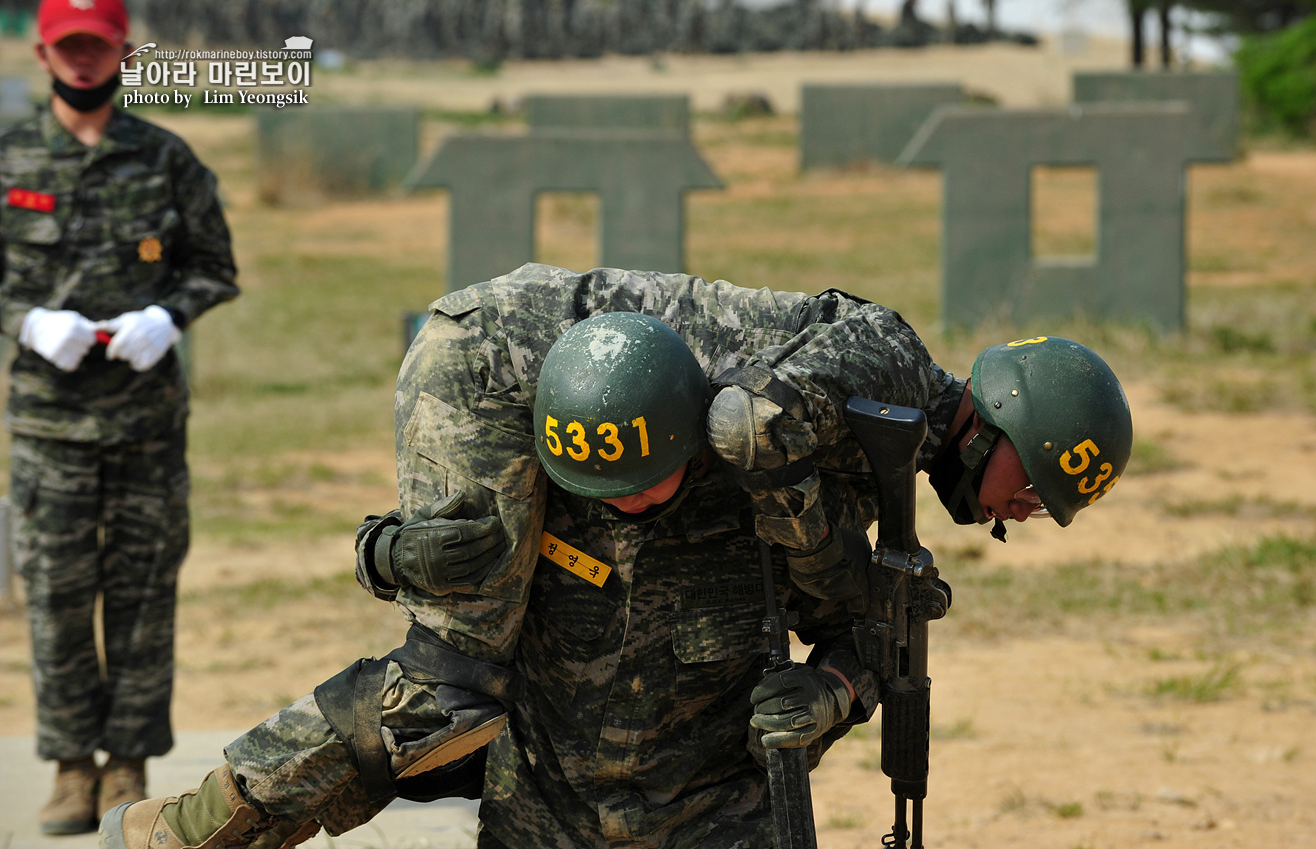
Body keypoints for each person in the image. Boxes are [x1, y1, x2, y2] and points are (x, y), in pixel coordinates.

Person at [100, 263, 1130, 849]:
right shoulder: (888, 362)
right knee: (453, 675)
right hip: (499, 364)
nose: (1027, 511)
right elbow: (743, 429)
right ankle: (185, 829)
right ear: (994, 427)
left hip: (604, 414)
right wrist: (838, 575)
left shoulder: (895, 451)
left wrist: (846, 649)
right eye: (1033, 484)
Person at [1, 0, 240, 835]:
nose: (83, 59)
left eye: (97, 44)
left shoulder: (167, 158)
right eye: (68, 47)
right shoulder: (10, 159)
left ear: (122, 51)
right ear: (43, 55)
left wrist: (167, 315)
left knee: (142, 593)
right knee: (57, 595)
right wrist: (25, 321)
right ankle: (70, 767)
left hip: (144, 424)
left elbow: (215, 265)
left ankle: (128, 765)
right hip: (49, 427)